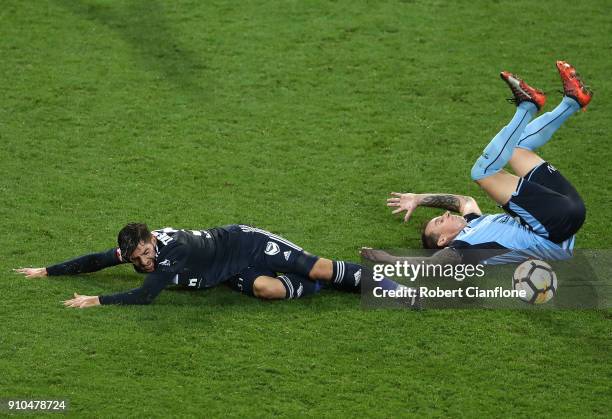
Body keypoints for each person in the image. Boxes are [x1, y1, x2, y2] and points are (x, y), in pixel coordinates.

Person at [362, 61, 592, 266]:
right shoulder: (464, 248)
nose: (445, 214)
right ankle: (527, 107)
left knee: (517, 148)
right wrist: (389, 259)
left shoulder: (475, 223)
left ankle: (571, 102)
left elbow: (464, 201)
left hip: (566, 212)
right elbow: (434, 264)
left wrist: (419, 199)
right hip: (554, 229)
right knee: (482, 172)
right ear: (443, 240)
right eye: (440, 221)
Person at [15, 223, 416, 308]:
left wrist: (97, 301)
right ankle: (327, 289)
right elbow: (97, 260)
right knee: (269, 291)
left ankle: (389, 284)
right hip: (227, 271)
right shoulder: (137, 250)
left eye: (145, 254)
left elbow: (145, 296)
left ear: (152, 240)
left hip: (249, 244)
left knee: (318, 268)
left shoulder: (172, 253)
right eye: (137, 258)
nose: (144, 261)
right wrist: (47, 271)